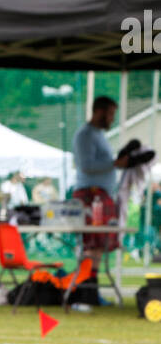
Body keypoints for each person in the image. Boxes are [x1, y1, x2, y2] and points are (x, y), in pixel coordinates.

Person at [72, 95, 129, 270]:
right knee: (92, 242)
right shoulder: (85, 135)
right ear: (99, 111)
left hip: (102, 194)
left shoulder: (99, 135)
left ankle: (91, 286)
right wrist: (114, 163)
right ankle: (86, 286)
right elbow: (85, 165)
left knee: (99, 244)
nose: (112, 118)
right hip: (91, 195)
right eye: (110, 114)